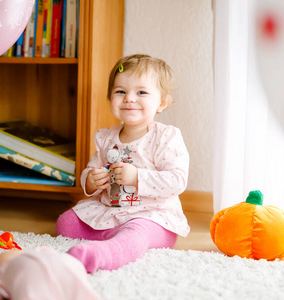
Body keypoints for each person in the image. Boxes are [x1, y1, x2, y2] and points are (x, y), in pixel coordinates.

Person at [56, 54, 190, 273]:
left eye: (141, 92)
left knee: (137, 232)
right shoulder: (105, 137)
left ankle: (108, 252)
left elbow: (177, 181)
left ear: (162, 102)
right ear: (110, 98)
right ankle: (114, 236)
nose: (129, 98)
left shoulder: (166, 137)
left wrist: (137, 177)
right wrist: (91, 180)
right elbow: (91, 171)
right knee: (66, 223)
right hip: (110, 210)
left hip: (152, 216)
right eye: (120, 91)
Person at [0, 247, 101, 300]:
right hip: (65, 264)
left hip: (33, 280)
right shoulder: (37, 251)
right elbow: (50, 251)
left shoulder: (1, 274)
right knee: (82, 292)